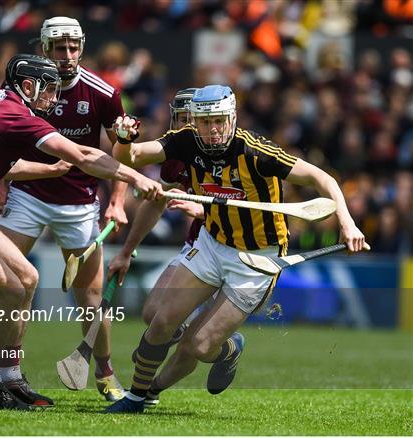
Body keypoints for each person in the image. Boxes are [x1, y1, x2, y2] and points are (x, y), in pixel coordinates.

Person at [0, 53, 161, 411]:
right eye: (50, 92)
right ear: (28, 86)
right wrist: (135, 177)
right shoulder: (15, 115)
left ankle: (9, 376)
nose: (54, 101)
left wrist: (53, 170)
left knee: (27, 276)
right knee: (6, 288)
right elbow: (85, 157)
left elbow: (14, 163)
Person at [104, 84, 367, 413]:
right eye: (205, 122)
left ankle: (217, 355)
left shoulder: (256, 152)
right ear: (195, 122)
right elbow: (130, 157)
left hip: (258, 259)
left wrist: (347, 221)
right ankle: (135, 397)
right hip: (212, 244)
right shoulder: (184, 141)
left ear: (232, 118)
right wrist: (125, 139)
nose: (213, 130)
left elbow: (322, 179)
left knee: (198, 345)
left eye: (220, 121)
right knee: (161, 320)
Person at [106, 88, 204, 407]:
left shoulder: (232, 150)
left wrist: (205, 211)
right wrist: (126, 250)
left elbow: (254, 205)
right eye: (181, 117)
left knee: (195, 341)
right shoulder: (175, 153)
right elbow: (153, 197)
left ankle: (148, 390)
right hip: (199, 244)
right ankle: (214, 344)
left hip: (237, 246)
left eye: (191, 118)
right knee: (152, 314)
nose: (183, 124)